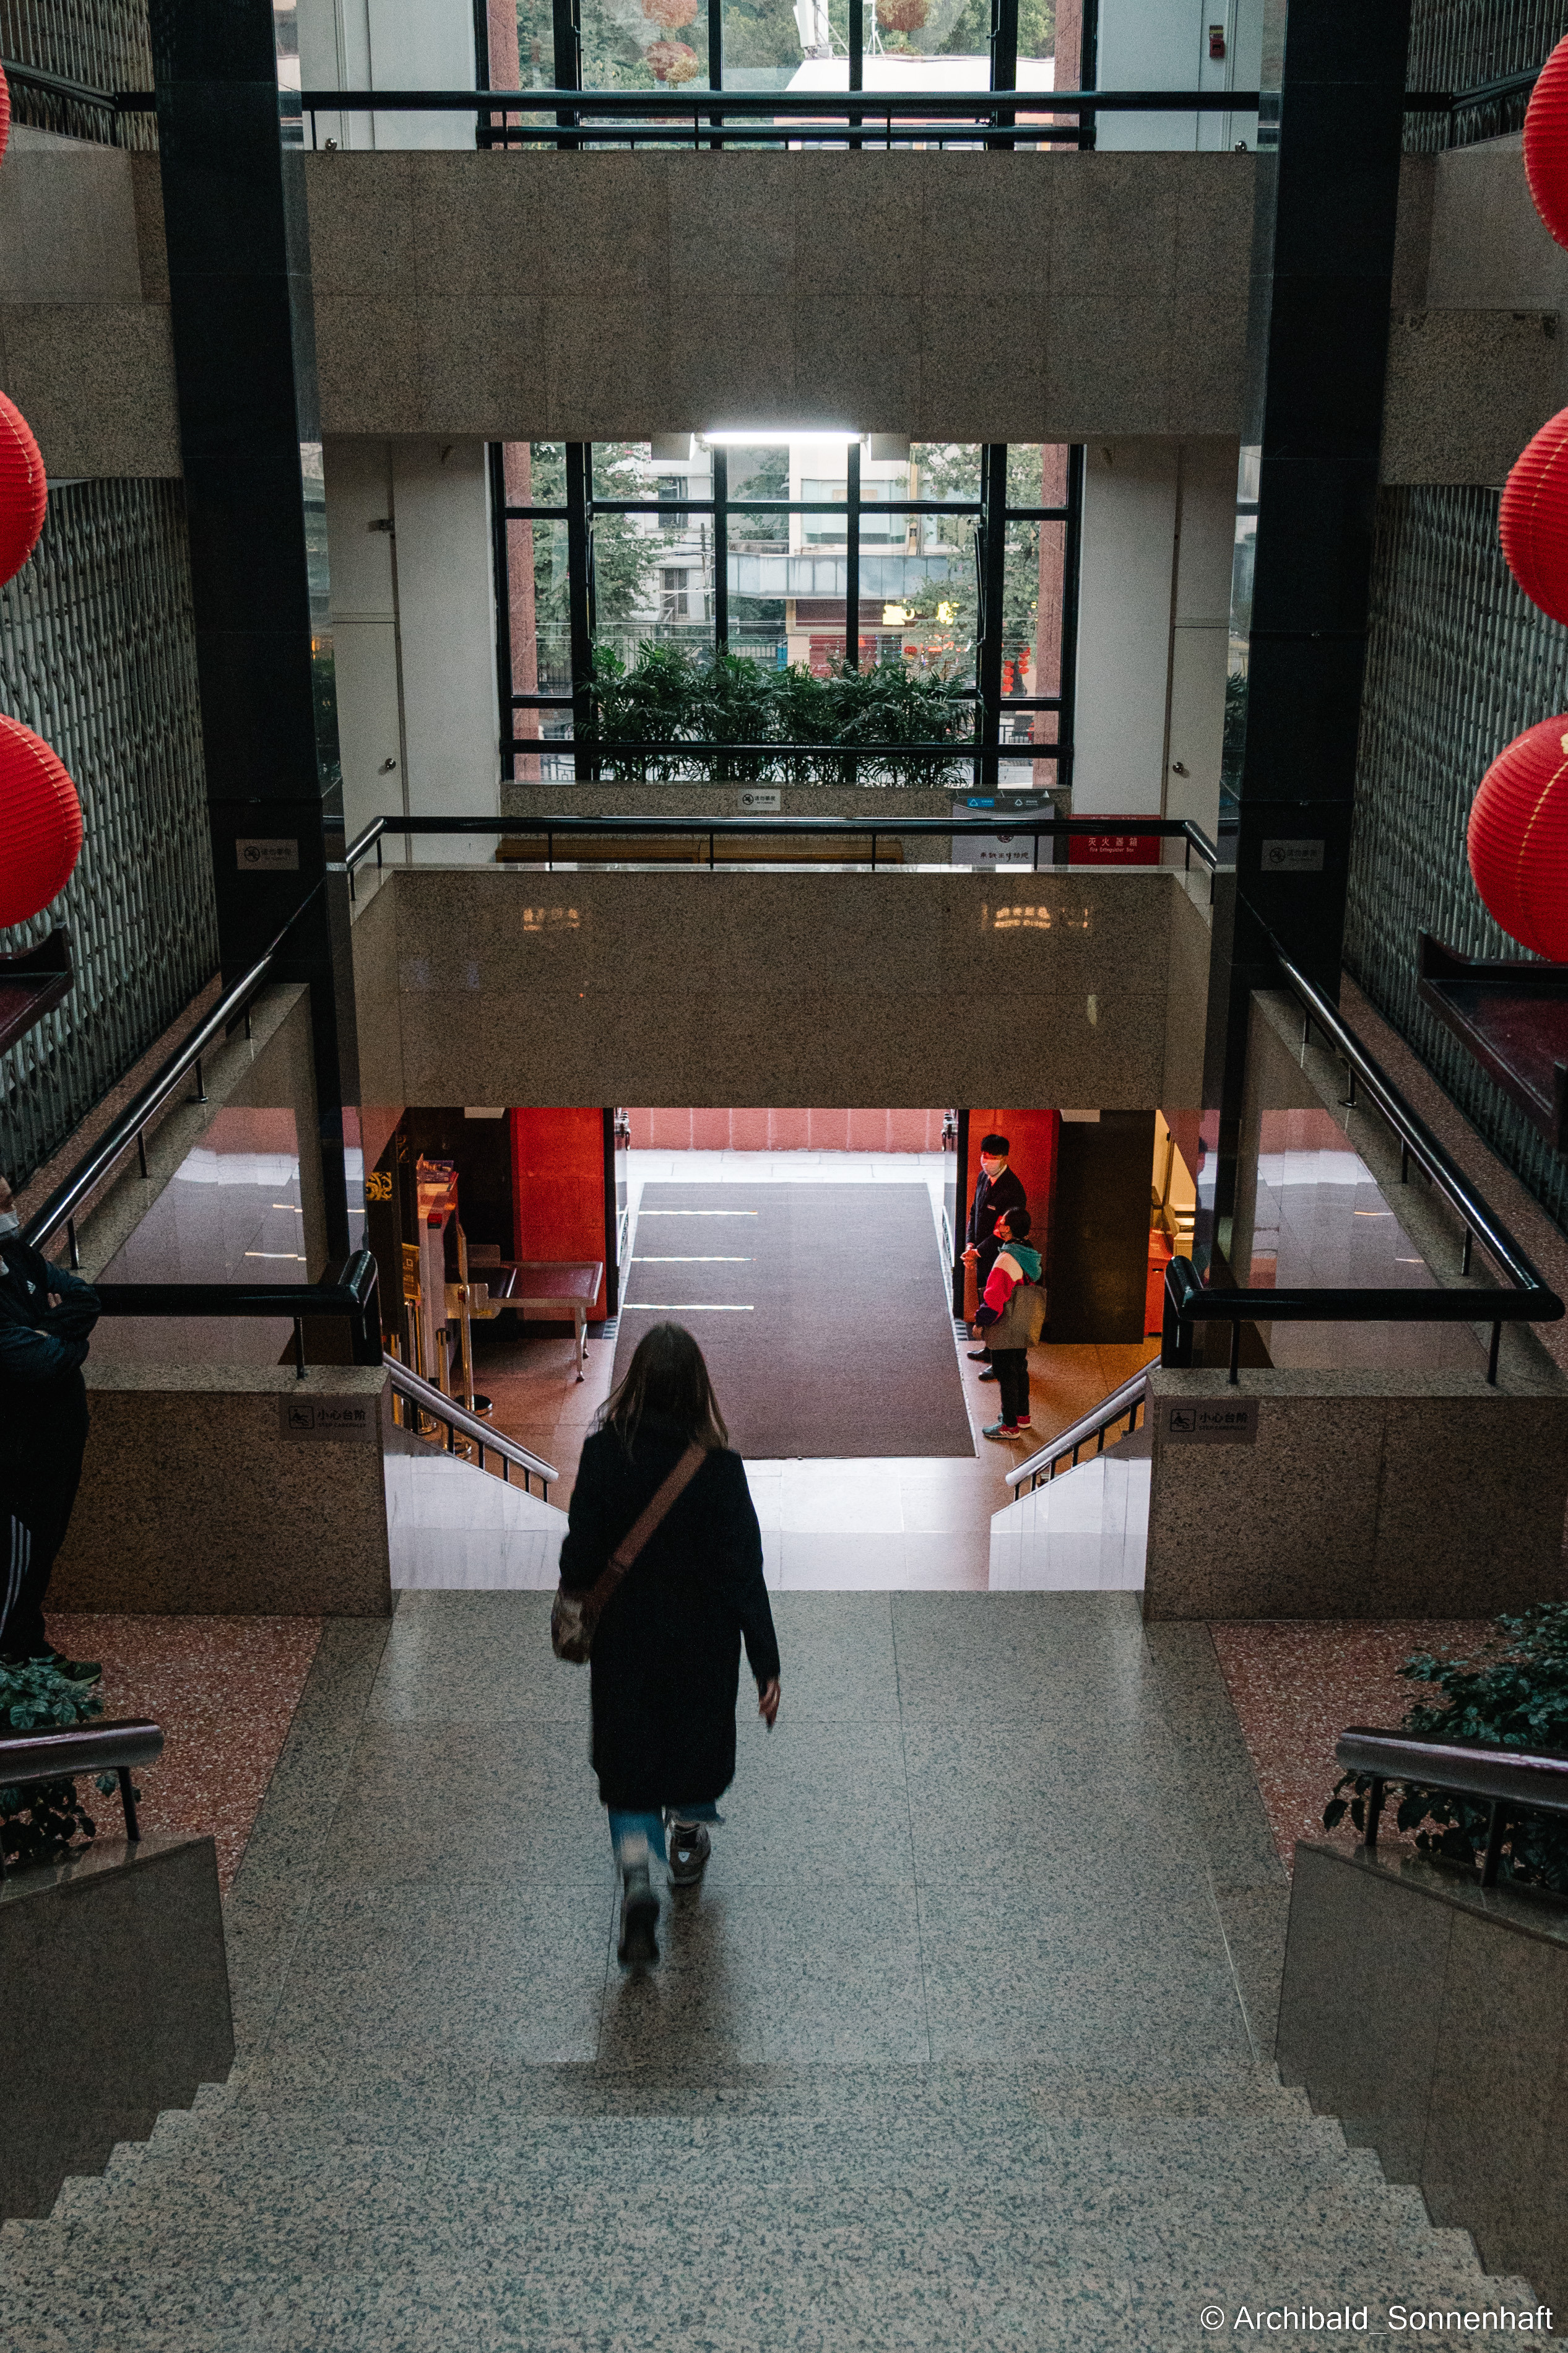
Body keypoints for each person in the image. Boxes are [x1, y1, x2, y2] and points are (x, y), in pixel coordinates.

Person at [558, 1320, 781, 1970]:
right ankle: (686, 1838)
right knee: (691, 1747)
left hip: (625, 1641)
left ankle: (635, 1874)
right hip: (702, 1646)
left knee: (629, 1765)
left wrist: (580, 1596)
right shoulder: (719, 1470)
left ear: (636, 1382)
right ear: (697, 1390)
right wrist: (765, 1663)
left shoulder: (602, 1454)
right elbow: (745, 1572)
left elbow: (579, 1554)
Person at [0, 1175, 102, 1681]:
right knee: (17, 1554)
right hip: (17, 1451)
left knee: (46, 1544)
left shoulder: (18, 1257)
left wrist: (50, 1336)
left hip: (58, 1438)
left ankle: (27, 1643)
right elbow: (32, 1363)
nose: (11, 1212)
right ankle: (13, 1652)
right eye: (0, 1204)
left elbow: (83, 1296)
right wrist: (68, 1344)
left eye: (9, 1199)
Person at [972, 1207, 1045, 1441]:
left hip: (1006, 1326)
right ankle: (1023, 1417)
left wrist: (980, 1323)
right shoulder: (1028, 1252)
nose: (999, 1225)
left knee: (1006, 1373)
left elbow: (994, 1301)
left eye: (1003, 1223)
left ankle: (1009, 1425)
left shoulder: (1006, 1260)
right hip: (1022, 1323)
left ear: (1009, 1229)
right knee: (1019, 1369)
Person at [963, 1133, 1027, 1380]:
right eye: (984, 1155)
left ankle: (999, 1361)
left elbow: (1004, 1231)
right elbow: (974, 1212)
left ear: (1005, 1158)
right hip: (982, 1252)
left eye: (993, 1157)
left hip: (1000, 1257)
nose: (986, 1161)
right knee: (986, 1299)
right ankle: (990, 1349)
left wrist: (978, 1251)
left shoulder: (1013, 1190)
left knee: (999, 1307)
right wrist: (970, 1242)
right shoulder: (983, 1177)